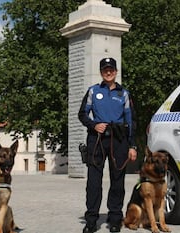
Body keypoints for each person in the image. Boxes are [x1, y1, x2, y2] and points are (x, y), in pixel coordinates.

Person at [78, 57, 137, 233]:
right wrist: (93, 124)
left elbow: (131, 120)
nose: (108, 72)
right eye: (105, 69)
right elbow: (82, 114)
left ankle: (115, 219)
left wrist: (132, 145)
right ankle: (91, 220)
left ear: (116, 72)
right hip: (96, 140)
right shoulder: (92, 91)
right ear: (101, 72)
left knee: (117, 181)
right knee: (93, 182)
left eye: (111, 69)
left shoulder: (124, 94)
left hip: (119, 140)